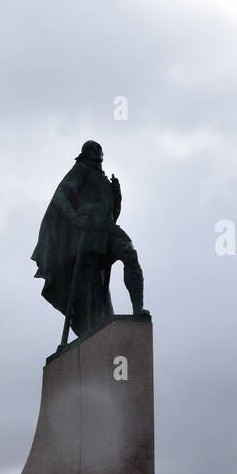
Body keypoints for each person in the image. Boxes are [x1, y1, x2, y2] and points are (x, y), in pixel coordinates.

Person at [31, 140, 150, 339]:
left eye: (98, 148)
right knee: (85, 277)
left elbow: (113, 212)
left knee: (130, 254)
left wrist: (117, 195)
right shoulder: (80, 170)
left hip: (108, 228)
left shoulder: (104, 179)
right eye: (91, 149)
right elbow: (60, 197)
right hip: (90, 229)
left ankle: (138, 309)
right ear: (84, 153)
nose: (96, 151)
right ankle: (85, 326)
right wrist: (76, 220)